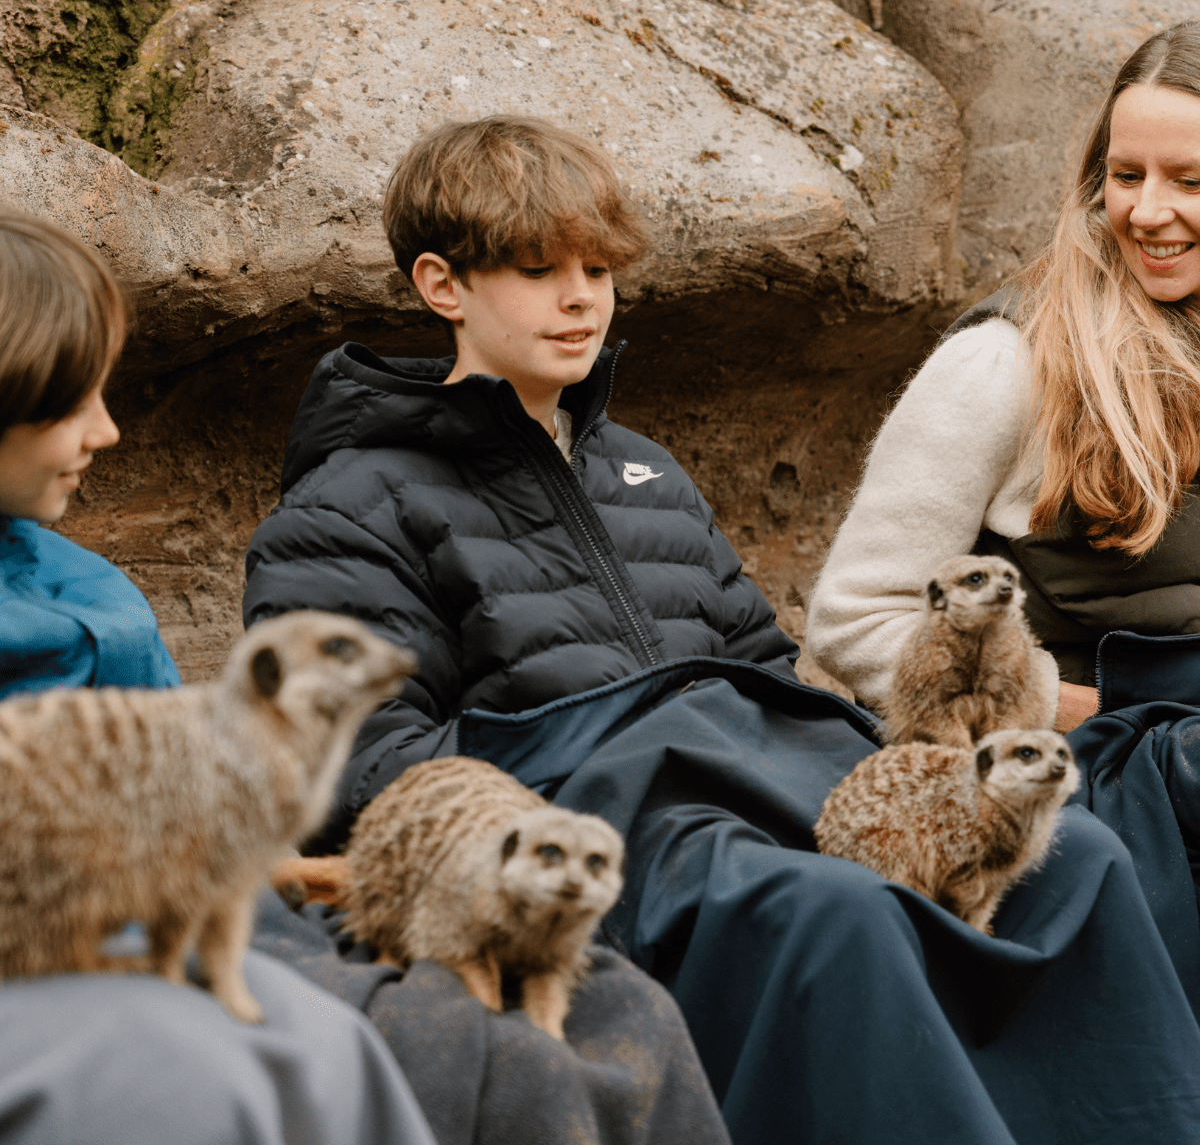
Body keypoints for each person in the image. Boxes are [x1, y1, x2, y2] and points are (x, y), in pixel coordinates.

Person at [245, 115, 1200, 1145]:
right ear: (443, 286)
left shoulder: (646, 475)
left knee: (1076, 856)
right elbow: (355, 775)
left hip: (773, 805)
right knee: (836, 916)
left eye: (598, 270)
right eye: (536, 270)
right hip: (597, 853)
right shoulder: (344, 509)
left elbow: (765, 680)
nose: (580, 298)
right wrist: (621, 753)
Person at [0, 210, 437, 1145]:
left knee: (529, 1003)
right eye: (70, 402)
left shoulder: (92, 588)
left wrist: (283, 865)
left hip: (186, 912)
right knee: (250, 1060)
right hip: (59, 941)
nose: (108, 432)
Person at [807, 21, 1200, 984]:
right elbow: (855, 615)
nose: (1149, 212)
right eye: (1126, 174)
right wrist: (1041, 704)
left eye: (1191, 181)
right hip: (1103, 769)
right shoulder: (1006, 365)